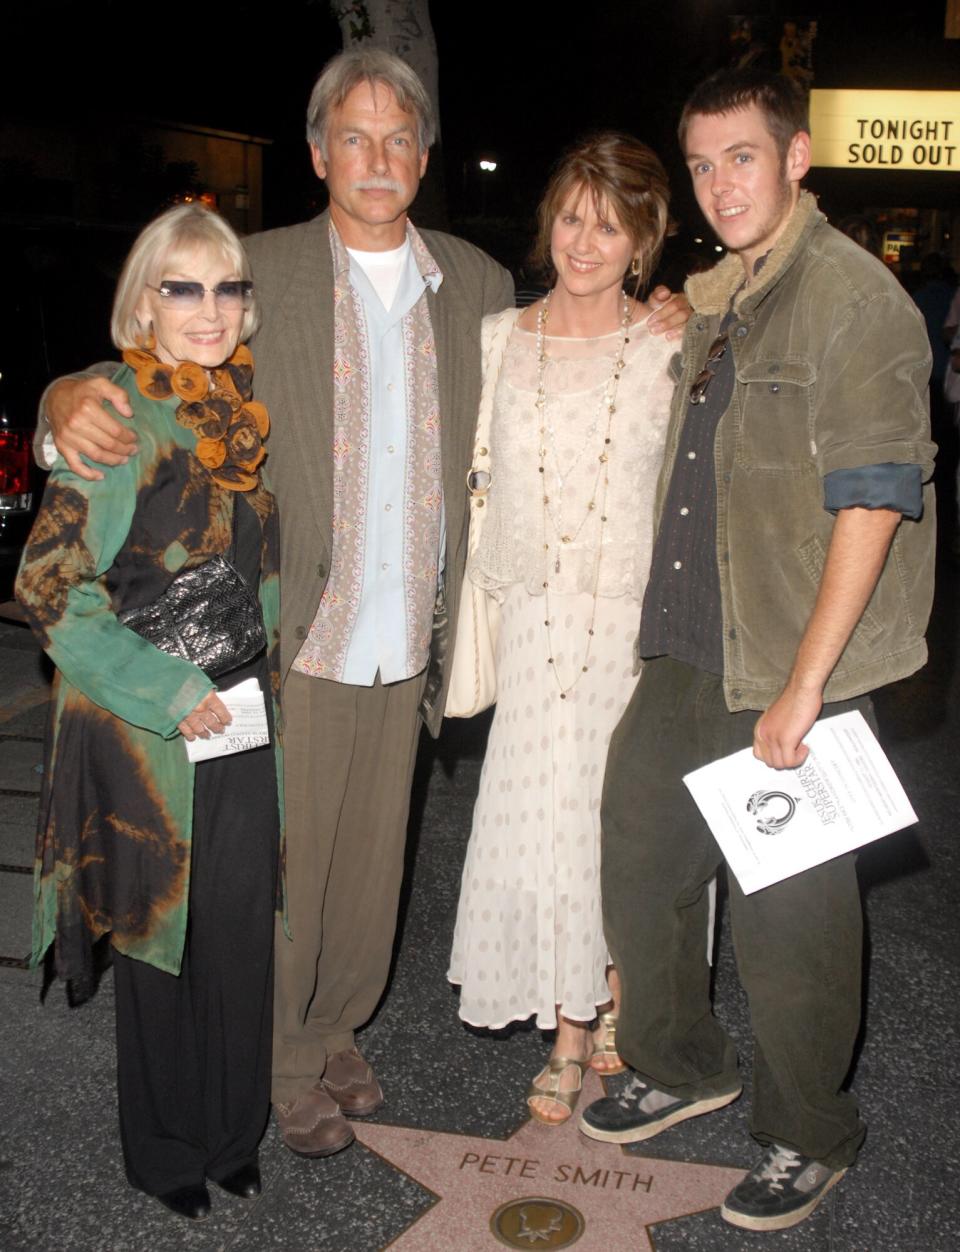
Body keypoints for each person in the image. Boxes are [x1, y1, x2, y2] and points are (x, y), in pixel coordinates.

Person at [39, 50, 690, 1161]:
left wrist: (680, 301)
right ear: (317, 153)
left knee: (373, 856)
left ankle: (338, 1023)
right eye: (355, 135)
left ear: (426, 156)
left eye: (400, 139)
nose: (378, 157)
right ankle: (286, 1059)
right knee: (287, 857)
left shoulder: (479, 287)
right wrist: (68, 398)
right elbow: (166, 340)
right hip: (296, 627)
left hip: (412, 631)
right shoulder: (264, 269)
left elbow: (590, 329)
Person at [580, 68, 935, 1235]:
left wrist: (809, 685)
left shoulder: (854, 299)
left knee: (795, 928)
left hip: (791, 666)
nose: (722, 182)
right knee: (640, 859)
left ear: (795, 159)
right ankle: (680, 1062)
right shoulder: (722, 295)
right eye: (704, 163)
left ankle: (808, 1133)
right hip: (687, 644)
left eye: (744, 156)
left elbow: (875, 501)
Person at [16, 204, 282, 1221]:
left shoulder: (236, 409)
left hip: (244, 711)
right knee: (160, 940)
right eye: (184, 287)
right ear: (145, 303)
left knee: (235, 938)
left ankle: (230, 1132)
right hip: (151, 731)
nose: (209, 310)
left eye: (226, 288)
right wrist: (171, 693)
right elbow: (50, 587)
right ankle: (165, 1147)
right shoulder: (118, 413)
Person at [447, 134, 675, 1126]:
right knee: (547, 824)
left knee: (624, 824)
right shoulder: (499, 337)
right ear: (550, 222)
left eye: (611, 223)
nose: (587, 240)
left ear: (643, 241)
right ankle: (567, 1033)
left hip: (631, 626)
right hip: (535, 621)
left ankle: (623, 994)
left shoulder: (674, 339)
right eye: (574, 216)